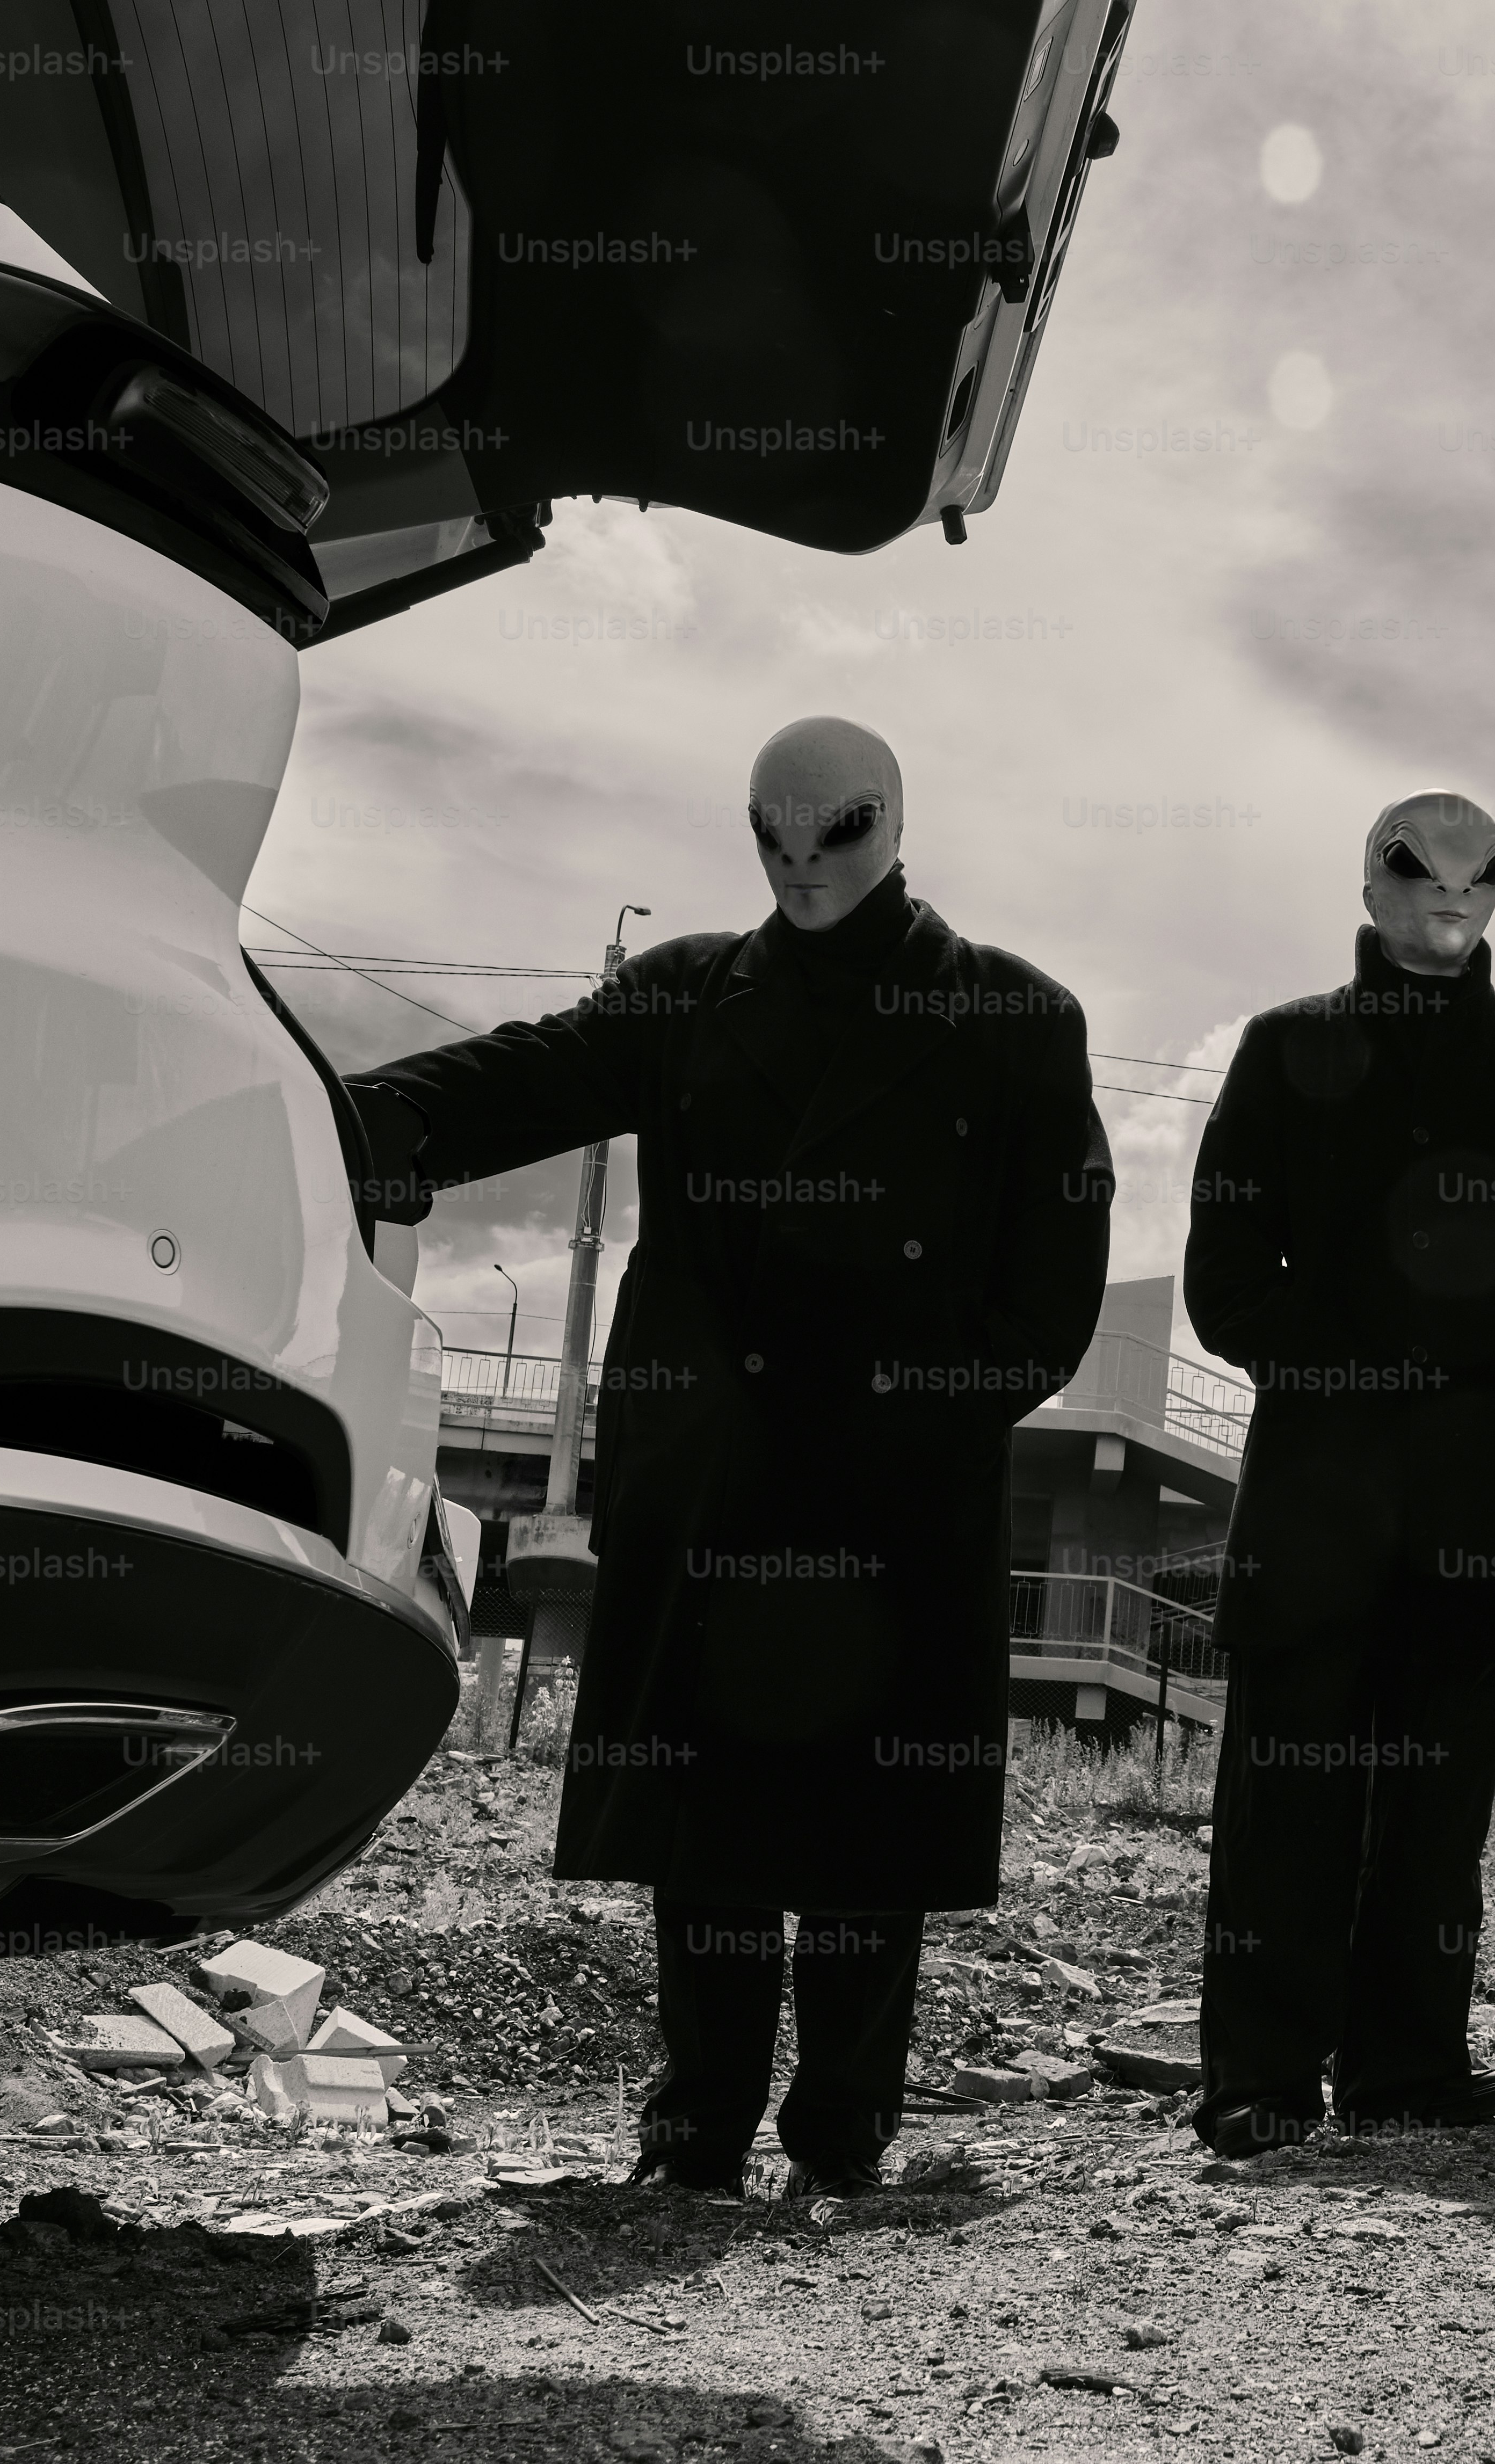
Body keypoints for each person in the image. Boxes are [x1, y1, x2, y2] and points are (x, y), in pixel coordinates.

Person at [341, 717, 1112, 2196]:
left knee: (865, 1827)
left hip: (892, 1480)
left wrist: (935, 1412)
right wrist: (363, 1117)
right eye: (774, 830)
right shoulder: (691, 992)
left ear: (896, 820)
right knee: (709, 1812)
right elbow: (533, 1076)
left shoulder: (1018, 1017)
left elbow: (1054, 1280)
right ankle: (695, 2121)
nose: (804, 863)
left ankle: (842, 2126)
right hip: (718, 1469)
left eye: (838, 829)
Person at [1179, 790, 1495, 2155]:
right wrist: (1348, 1368)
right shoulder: (1283, 1048)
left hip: (1478, 1489)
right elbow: (1220, 1276)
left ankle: (1407, 2067)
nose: (1452, 896)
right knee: (1287, 1791)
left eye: (1481, 873)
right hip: (1322, 1484)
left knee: (1437, 1800)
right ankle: (1257, 2077)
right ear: (1369, 884)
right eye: (1421, 871)